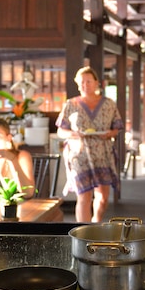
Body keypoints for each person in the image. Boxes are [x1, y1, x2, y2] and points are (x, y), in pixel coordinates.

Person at [56, 66, 123, 222]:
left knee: (103, 197)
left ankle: (96, 222)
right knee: (84, 196)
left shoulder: (109, 104)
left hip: (103, 154)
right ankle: (84, 231)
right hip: (79, 155)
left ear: (97, 83)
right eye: (81, 82)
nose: (85, 85)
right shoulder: (71, 104)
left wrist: (110, 134)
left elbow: (117, 128)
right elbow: (61, 131)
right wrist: (73, 134)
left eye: (88, 81)